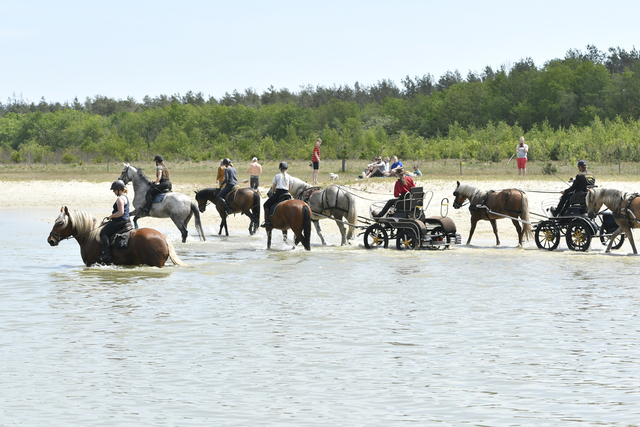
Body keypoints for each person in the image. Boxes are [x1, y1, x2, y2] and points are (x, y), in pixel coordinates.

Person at [98, 180, 132, 264]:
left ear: (119, 189)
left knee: (103, 233)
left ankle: (107, 255)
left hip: (120, 221)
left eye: (114, 190)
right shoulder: (125, 197)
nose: (113, 192)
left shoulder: (120, 199)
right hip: (126, 221)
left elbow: (120, 212)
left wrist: (111, 216)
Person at [261, 162, 292, 228]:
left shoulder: (277, 176)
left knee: (266, 205)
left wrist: (273, 192)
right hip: (287, 194)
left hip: (279, 194)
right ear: (287, 169)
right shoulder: (289, 176)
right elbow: (290, 189)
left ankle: (267, 222)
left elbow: (273, 187)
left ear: (280, 168)